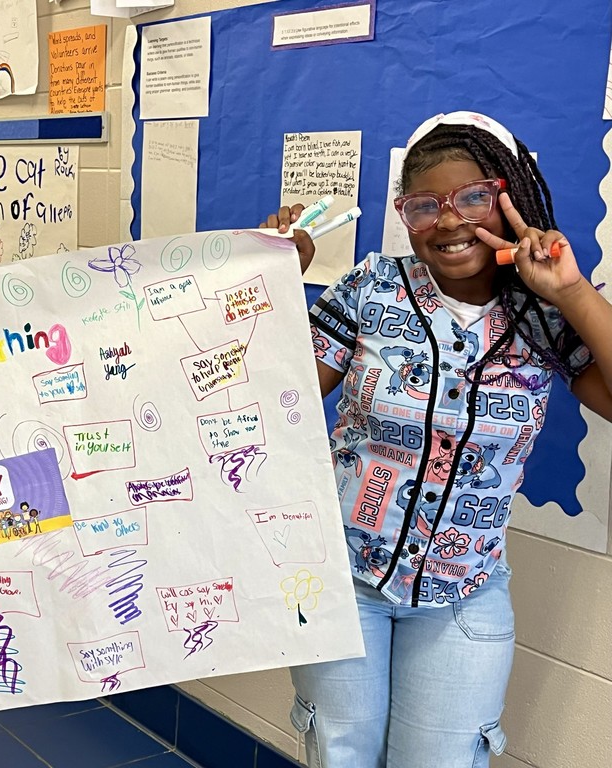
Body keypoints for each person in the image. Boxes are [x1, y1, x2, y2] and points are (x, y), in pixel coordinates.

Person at [262, 111, 612, 767]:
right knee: (341, 755)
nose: (449, 222)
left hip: (464, 591)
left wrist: (570, 290)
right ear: (406, 216)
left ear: (509, 199)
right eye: (425, 206)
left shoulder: (541, 312)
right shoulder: (371, 288)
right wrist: (267, 285)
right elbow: (277, 399)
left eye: (472, 198)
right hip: (344, 580)